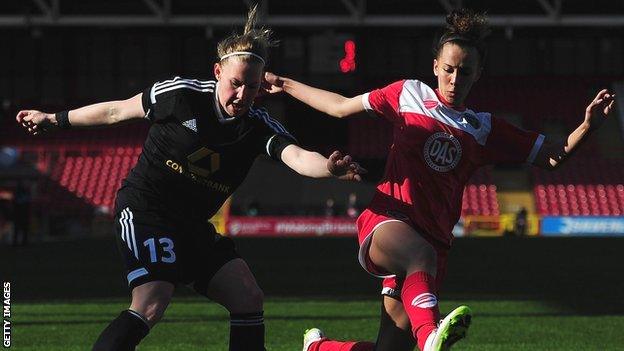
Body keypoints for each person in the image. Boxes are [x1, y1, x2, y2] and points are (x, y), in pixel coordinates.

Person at [15, 6, 365, 351]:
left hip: (191, 225)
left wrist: (329, 168)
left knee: (247, 296)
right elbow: (114, 111)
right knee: (152, 300)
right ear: (217, 72)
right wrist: (53, 119)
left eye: (253, 87)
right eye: (236, 83)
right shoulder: (180, 95)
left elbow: (300, 158)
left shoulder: (257, 126)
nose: (243, 95)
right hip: (147, 210)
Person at [264, 9, 616, 351]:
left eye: (465, 72)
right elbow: (340, 106)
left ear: (477, 75)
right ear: (435, 66)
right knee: (420, 256)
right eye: (448, 69)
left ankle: (318, 347)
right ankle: (432, 337)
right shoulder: (407, 94)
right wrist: (286, 83)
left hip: (434, 243)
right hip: (388, 221)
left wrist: (587, 126)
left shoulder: (485, 128)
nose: (454, 79)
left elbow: (552, 157)